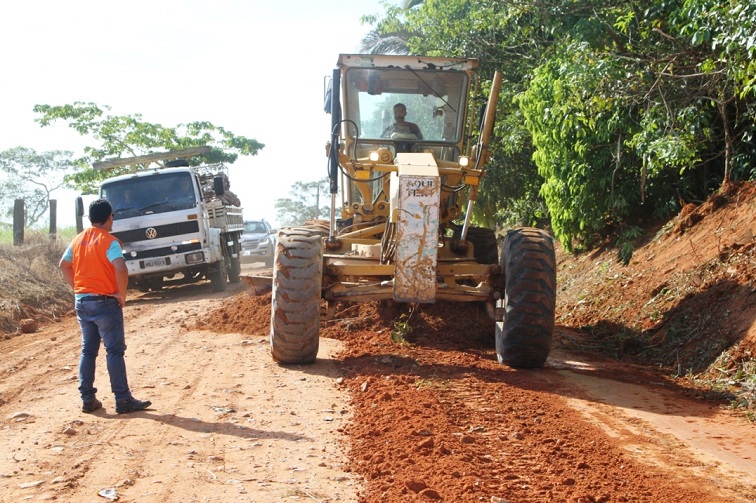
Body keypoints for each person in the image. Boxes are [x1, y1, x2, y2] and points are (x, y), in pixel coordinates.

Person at [59, 199, 152, 415]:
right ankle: (123, 399)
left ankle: (88, 399)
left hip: (82, 301)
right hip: (104, 302)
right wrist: (121, 294)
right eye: (113, 217)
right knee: (114, 351)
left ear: (91, 218)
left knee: (88, 350)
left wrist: (78, 289)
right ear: (109, 217)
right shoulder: (109, 241)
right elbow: (120, 268)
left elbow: (64, 266)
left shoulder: (77, 240)